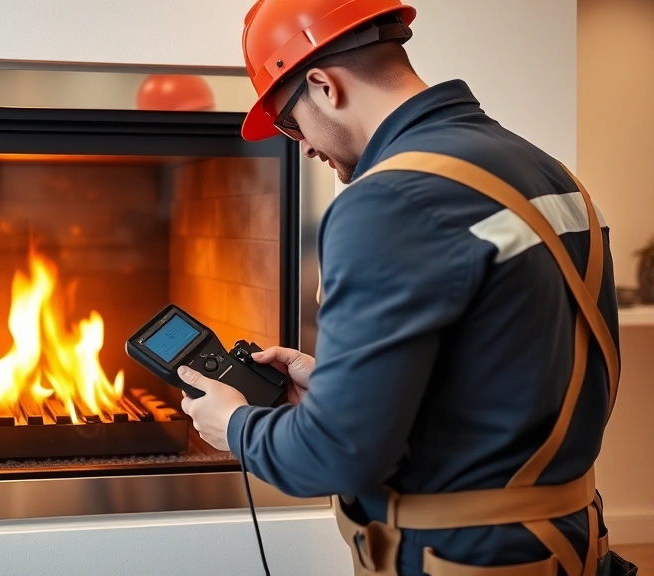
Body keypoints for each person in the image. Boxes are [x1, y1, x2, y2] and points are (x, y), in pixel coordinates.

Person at [178, 1, 637, 574]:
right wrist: (341, 387)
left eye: (290, 124)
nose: (304, 146)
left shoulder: (388, 200)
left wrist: (236, 426)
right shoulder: (543, 169)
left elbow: (334, 457)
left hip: (462, 559)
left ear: (324, 85)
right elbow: (509, 368)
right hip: (569, 545)